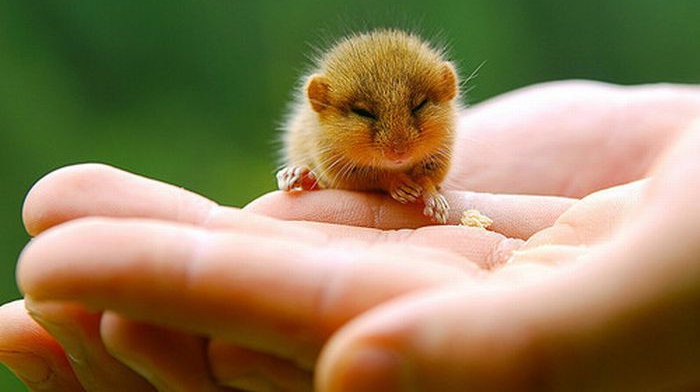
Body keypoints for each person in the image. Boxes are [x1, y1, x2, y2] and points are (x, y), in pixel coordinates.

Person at [1, 80, 699, 391]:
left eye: (418, 116)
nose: (396, 140)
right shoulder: (324, 130)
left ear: (445, 95)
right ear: (327, 107)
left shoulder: (441, 132)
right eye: (368, 120)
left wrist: (424, 185)